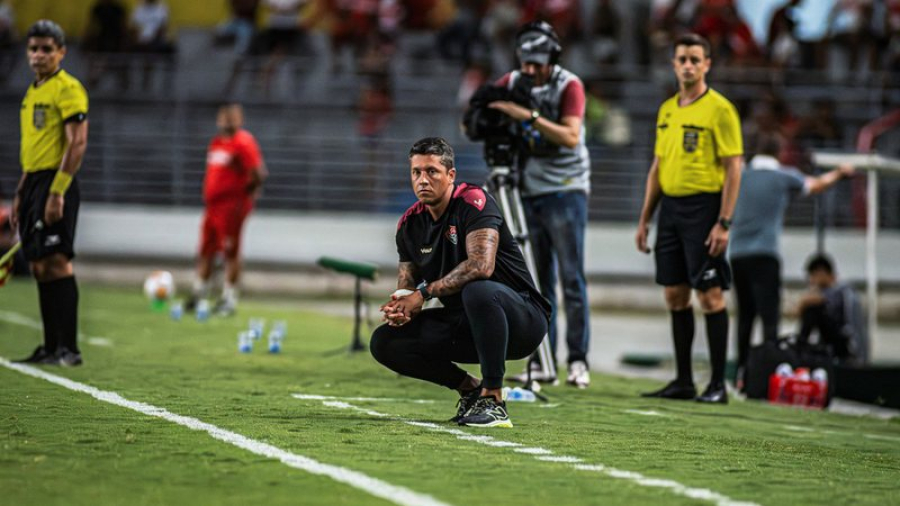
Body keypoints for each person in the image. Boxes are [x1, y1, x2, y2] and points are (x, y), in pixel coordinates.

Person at [370, 137, 551, 428]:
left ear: (451, 175)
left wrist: (423, 294)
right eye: (416, 172)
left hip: (522, 320)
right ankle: (470, 389)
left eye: (432, 171)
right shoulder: (409, 224)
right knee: (384, 342)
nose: (423, 180)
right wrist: (401, 306)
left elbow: (481, 266)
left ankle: (494, 401)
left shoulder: (473, 202)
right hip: (468, 322)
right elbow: (407, 282)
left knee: (479, 289)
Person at [635, 33, 743, 404]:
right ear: (674, 63)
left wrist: (724, 222)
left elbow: (734, 167)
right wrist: (645, 218)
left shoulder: (720, 109)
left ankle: (717, 385)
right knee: (675, 294)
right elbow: (657, 167)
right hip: (671, 211)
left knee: (710, 296)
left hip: (704, 210)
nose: (688, 65)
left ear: (707, 64)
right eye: (682, 59)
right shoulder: (667, 110)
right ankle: (683, 380)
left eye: (695, 59)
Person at [489, 21, 592, 388]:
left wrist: (527, 116)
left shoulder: (570, 85)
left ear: (552, 58)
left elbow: (570, 135)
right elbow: (484, 104)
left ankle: (578, 360)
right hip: (529, 190)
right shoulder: (515, 81)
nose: (531, 70)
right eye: (526, 62)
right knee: (537, 282)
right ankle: (543, 361)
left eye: (537, 63)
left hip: (566, 190)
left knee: (571, 278)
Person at [729, 133, 855, 388]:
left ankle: (741, 375)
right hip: (765, 254)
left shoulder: (740, 175)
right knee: (769, 319)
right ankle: (765, 376)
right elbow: (815, 185)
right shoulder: (782, 175)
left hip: (737, 254)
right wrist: (840, 173)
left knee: (744, 317)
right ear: (778, 152)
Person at [11, 20, 89, 366]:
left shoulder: (68, 88)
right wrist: (21, 191)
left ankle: (69, 349)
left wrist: (57, 192)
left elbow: (78, 142)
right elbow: (33, 148)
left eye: (46, 49)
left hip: (56, 182)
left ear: (61, 52)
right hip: (34, 183)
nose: (38, 55)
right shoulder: (32, 93)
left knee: (58, 263)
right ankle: (49, 346)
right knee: (40, 266)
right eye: (33, 49)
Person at [186, 103, 267, 316]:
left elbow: (258, 172)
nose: (227, 121)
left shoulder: (243, 143)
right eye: (224, 117)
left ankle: (229, 299)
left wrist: (244, 196)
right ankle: (199, 293)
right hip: (213, 206)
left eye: (232, 117)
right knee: (206, 250)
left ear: (240, 119)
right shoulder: (217, 143)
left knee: (230, 252)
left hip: (231, 206)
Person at [797, 254, 868, 364]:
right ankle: (800, 349)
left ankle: (798, 350)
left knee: (812, 310)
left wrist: (803, 301)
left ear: (821, 273)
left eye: (813, 276)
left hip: (848, 347)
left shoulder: (843, 290)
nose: (811, 281)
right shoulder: (827, 293)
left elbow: (808, 302)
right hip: (832, 346)